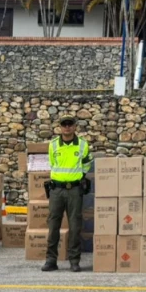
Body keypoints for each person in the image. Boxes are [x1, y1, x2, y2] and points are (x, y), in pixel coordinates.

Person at [42, 114, 93, 272]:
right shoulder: (53, 145)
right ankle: (51, 260)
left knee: (75, 225)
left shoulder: (83, 145)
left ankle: (74, 260)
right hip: (56, 190)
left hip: (74, 190)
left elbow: (87, 164)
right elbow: (52, 163)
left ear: (75, 126)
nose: (67, 127)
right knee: (53, 224)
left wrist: (78, 178)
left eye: (70, 124)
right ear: (60, 127)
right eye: (64, 124)